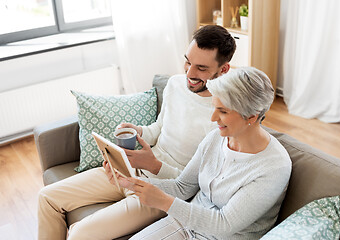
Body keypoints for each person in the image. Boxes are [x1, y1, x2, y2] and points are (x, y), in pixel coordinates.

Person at [37, 25, 236, 240]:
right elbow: (159, 128)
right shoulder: (175, 84)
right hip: (131, 170)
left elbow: (196, 186)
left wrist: (154, 166)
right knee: (47, 197)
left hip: (163, 190)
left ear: (223, 69)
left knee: (81, 234)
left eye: (201, 68)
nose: (189, 73)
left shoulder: (224, 118)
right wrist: (138, 130)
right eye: (187, 61)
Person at [109, 67, 292, 240]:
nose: (213, 118)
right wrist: (131, 182)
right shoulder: (215, 138)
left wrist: (164, 202)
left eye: (223, 111)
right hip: (183, 223)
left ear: (252, 116)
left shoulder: (274, 167)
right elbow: (182, 187)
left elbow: (223, 224)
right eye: (214, 107)